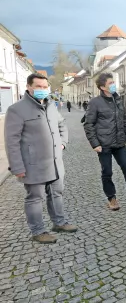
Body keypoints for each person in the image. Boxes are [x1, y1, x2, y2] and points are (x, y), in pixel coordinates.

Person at [4, 73, 78, 244]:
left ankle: (59, 222)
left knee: (57, 193)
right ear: (29, 87)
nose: (42, 90)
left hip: (54, 162)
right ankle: (38, 230)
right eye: (38, 87)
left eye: (45, 87)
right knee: (35, 198)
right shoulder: (17, 109)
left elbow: (62, 125)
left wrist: (63, 143)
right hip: (32, 164)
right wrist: (17, 167)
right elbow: (12, 141)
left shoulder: (51, 106)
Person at [83, 73, 126, 210]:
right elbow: (88, 125)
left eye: (113, 82)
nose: (114, 85)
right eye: (110, 83)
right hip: (104, 145)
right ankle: (112, 199)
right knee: (107, 172)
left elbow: (124, 120)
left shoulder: (118, 100)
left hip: (120, 143)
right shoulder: (95, 103)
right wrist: (95, 144)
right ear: (102, 87)